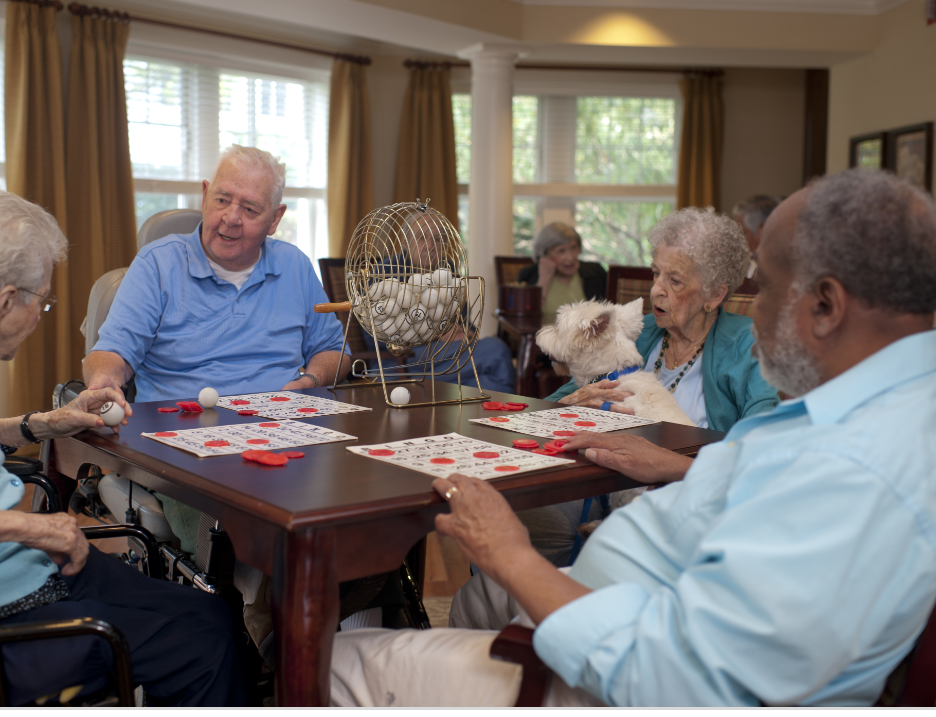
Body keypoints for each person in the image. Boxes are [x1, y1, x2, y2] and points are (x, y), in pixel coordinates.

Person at [329, 168, 936, 707]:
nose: (758, 311)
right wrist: (678, 467)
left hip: (586, 674)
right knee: (473, 606)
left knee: (336, 659)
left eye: (768, 288)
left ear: (826, 306)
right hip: (605, 607)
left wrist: (509, 551)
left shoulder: (859, 468)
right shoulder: (875, 408)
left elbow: (672, 677)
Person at [81, 145, 375, 661]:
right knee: (258, 539)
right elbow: (113, 351)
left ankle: (354, 643)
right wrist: (105, 383)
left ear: (276, 219)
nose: (230, 219)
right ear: (204, 196)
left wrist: (310, 378)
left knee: (365, 514)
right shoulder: (158, 264)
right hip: (190, 445)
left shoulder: (293, 265)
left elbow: (333, 349)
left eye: (250, 209)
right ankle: (273, 626)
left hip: (291, 432)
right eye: (222, 200)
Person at [0, 191, 244, 706]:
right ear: (5, 300)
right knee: (206, 640)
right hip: (16, 611)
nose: (42, 314)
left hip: (31, 564)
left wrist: (45, 423)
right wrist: (31, 525)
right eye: (40, 301)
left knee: (213, 612)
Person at [517, 207, 779, 567]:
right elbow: (542, 413)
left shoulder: (746, 345)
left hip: (685, 500)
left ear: (715, 295)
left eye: (675, 281)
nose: (656, 290)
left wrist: (670, 465)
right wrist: (574, 400)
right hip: (597, 484)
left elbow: (762, 443)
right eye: (656, 273)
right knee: (512, 524)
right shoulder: (637, 334)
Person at [360, 207, 516, 394]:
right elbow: (376, 335)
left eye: (438, 239)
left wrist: (466, 332)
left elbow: (464, 322)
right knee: (496, 351)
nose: (431, 245)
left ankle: (481, 414)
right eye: (422, 238)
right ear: (405, 241)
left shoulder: (449, 272)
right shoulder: (384, 273)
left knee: (486, 377)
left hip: (446, 357)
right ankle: (497, 411)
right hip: (400, 361)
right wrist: (435, 332)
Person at [516, 222, 607, 324]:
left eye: (573, 247)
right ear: (545, 255)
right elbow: (524, 321)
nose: (571, 257)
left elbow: (612, 312)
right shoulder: (528, 276)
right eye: (561, 251)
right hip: (547, 338)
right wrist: (543, 281)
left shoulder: (595, 272)